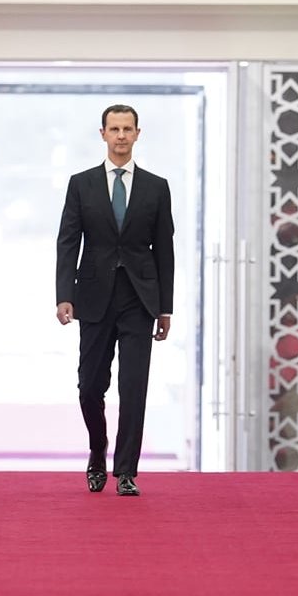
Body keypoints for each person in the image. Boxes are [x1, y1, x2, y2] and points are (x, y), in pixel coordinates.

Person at [55, 103, 177, 496]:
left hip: (139, 298)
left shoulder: (156, 187)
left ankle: (126, 470)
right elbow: (68, 242)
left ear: (138, 134)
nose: (121, 135)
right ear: (103, 134)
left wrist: (165, 306)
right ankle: (97, 451)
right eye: (115, 129)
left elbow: (165, 250)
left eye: (128, 129)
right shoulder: (82, 183)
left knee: (134, 386)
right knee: (90, 386)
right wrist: (63, 295)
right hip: (92, 297)